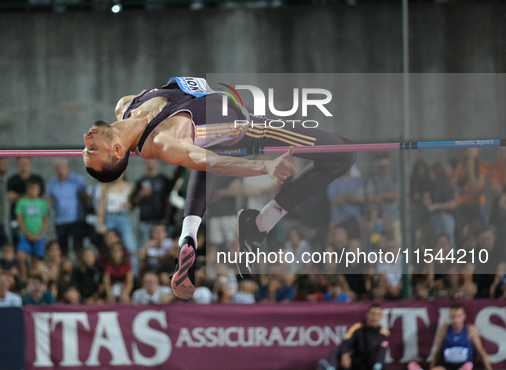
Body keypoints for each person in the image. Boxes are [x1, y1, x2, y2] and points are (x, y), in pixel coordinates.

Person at [82, 77, 356, 299]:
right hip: (247, 127)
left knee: (204, 148)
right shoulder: (163, 142)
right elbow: (212, 162)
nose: (86, 139)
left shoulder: (126, 105)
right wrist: (264, 167)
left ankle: (188, 237)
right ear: (118, 150)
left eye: (86, 147)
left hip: (219, 117)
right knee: (345, 154)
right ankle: (260, 224)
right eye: (91, 149)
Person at [318, 303, 389, 370]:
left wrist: (378, 364)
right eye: (373, 314)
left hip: (371, 366)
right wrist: (344, 354)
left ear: (381, 316)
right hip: (356, 365)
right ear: (367, 314)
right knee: (334, 352)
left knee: (381, 364)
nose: (375, 317)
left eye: (378, 314)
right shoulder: (357, 328)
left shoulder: (383, 334)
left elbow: (382, 351)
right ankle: (331, 368)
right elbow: (346, 342)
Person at [427, 303, 492, 370]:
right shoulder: (445, 329)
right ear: (450, 317)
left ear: (464, 316)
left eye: (459, 316)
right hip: (448, 366)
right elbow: (437, 351)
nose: (456, 319)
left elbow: (481, 352)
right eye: (453, 316)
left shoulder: (470, 329)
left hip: (465, 366)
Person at [46, 158, 87, 258]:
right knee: (63, 249)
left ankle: (80, 270)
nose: (60, 170)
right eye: (57, 168)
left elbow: (84, 198)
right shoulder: (52, 183)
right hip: (60, 221)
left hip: (76, 219)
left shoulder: (77, 179)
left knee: (78, 247)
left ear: (67, 167)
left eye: (62, 167)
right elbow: (52, 202)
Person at [16, 177, 49, 281]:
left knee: (35, 259)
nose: (33, 191)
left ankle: (33, 278)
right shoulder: (22, 202)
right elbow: (20, 219)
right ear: (27, 189)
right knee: (21, 256)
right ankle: (24, 277)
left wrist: (39, 234)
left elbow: (45, 220)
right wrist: (27, 233)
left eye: (35, 189)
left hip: (38, 236)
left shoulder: (42, 203)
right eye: (31, 188)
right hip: (25, 235)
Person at [7, 157, 45, 248]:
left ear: (30, 163)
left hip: (35, 217)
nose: (24, 166)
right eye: (21, 163)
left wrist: (19, 196)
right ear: (17, 164)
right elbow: (11, 197)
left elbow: (39, 197)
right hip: (16, 216)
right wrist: (29, 196)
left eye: (26, 163)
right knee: (17, 243)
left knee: (35, 246)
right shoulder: (12, 180)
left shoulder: (37, 179)